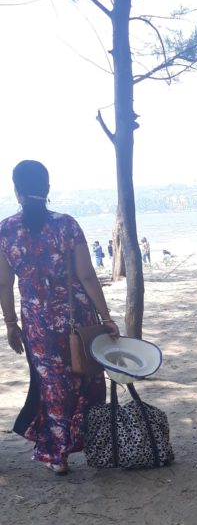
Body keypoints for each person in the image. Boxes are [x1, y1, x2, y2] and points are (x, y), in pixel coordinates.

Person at [0, 160, 119, 474]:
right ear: (47, 188)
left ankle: (57, 457)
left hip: (37, 323)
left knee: (51, 386)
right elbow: (87, 276)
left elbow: (4, 283)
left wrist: (10, 323)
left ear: (16, 191)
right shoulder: (67, 225)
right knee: (87, 378)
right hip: (76, 317)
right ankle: (95, 445)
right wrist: (106, 317)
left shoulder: (5, 230)